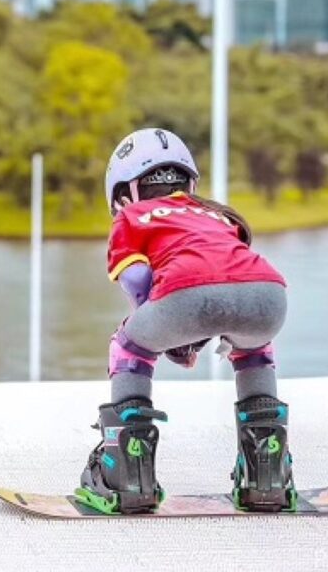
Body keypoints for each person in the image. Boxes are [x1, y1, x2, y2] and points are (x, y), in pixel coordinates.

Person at [76, 128, 294, 515]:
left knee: (128, 348)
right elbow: (227, 281)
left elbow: (139, 281)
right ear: (189, 182)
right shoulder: (216, 213)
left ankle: (126, 479)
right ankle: (267, 477)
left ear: (123, 193)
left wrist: (172, 336)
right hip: (269, 295)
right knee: (253, 347)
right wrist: (193, 333)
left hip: (185, 296)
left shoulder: (132, 215)